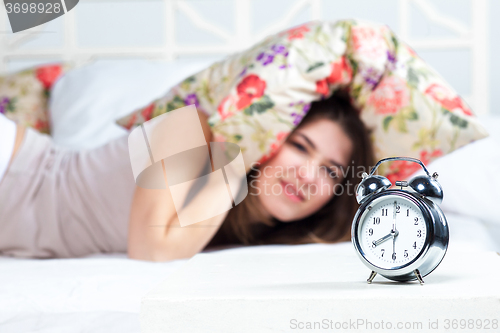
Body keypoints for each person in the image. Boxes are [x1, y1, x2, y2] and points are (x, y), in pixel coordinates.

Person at [0, 91, 374, 261]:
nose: (308, 174)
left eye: (330, 170)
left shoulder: (248, 233)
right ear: (269, 137)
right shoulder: (192, 128)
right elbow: (150, 251)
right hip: (14, 168)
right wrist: (242, 150)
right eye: (300, 146)